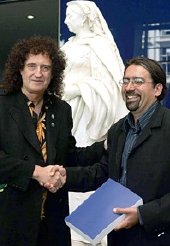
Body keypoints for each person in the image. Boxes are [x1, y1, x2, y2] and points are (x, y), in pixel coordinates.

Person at [0, 36, 105, 246]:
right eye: (32, 66)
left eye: (45, 67)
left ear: (53, 73)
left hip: (53, 221)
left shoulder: (62, 109)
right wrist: (37, 172)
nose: (38, 73)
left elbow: (69, 155)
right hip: (11, 219)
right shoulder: (2, 106)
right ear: (20, 69)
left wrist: (105, 145)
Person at [66, 57, 170, 246]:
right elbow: (103, 173)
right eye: (126, 80)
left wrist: (142, 214)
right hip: (119, 236)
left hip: (158, 237)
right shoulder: (117, 130)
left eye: (138, 81)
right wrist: (62, 176)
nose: (129, 87)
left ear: (158, 89)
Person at [61, 2, 128, 245]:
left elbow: (110, 87)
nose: (67, 21)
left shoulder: (100, 46)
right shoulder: (69, 45)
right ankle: (76, 235)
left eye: (71, 16)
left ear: (86, 18)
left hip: (90, 114)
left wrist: (78, 89)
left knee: (91, 168)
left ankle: (92, 232)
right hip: (69, 112)